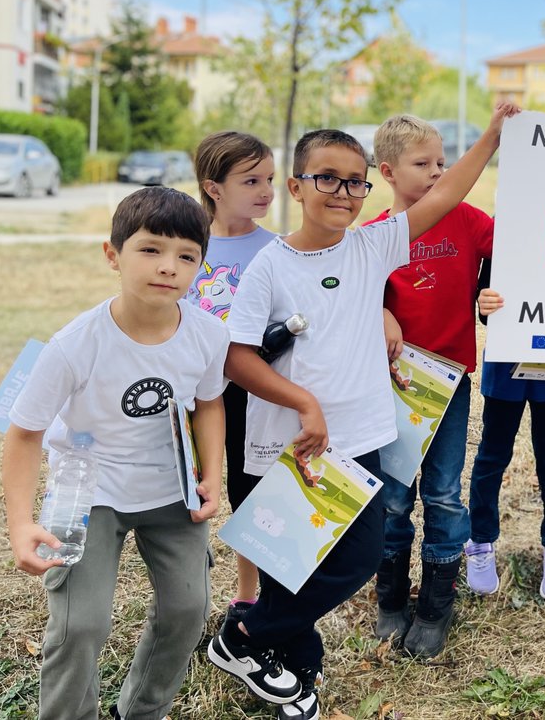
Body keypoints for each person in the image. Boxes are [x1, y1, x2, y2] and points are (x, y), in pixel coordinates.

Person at [209, 104, 518, 720]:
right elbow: (237, 360)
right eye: (327, 178)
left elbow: (451, 189)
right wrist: (304, 404)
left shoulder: (374, 245)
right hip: (294, 444)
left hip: (363, 436)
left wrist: (492, 135)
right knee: (290, 567)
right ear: (296, 186)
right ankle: (292, 669)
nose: (343, 192)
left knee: (354, 558)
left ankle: (244, 637)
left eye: (355, 182)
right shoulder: (271, 263)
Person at [2, 186, 229, 720]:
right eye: (150, 249)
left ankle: (143, 710)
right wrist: (19, 524)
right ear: (113, 255)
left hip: (169, 487)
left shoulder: (208, 335)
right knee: (80, 623)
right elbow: (24, 432)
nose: (168, 266)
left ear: (200, 265)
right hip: (84, 485)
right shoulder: (74, 344)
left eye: (186, 256)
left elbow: (210, 403)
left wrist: (211, 474)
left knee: (187, 609)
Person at [366, 114, 493, 659]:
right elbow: (347, 300)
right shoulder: (372, 237)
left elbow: (517, 251)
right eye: (424, 165)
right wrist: (380, 315)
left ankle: (437, 606)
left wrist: (492, 292)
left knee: (443, 493)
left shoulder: (465, 220)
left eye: (443, 162)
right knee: (393, 498)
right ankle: (390, 596)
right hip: (390, 386)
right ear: (389, 171)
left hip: (449, 385)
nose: (438, 172)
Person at [189, 130, 277, 624]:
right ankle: (187, 576)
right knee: (190, 488)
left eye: (268, 178)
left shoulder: (278, 248)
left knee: (250, 491)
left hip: (252, 395)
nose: (266, 190)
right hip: (190, 395)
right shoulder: (186, 244)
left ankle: (248, 590)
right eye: (251, 180)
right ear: (214, 187)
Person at [465, 260, 545, 602]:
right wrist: (484, 305)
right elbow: (485, 308)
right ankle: (480, 541)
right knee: (493, 453)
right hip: (507, 357)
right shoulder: (504, 232)